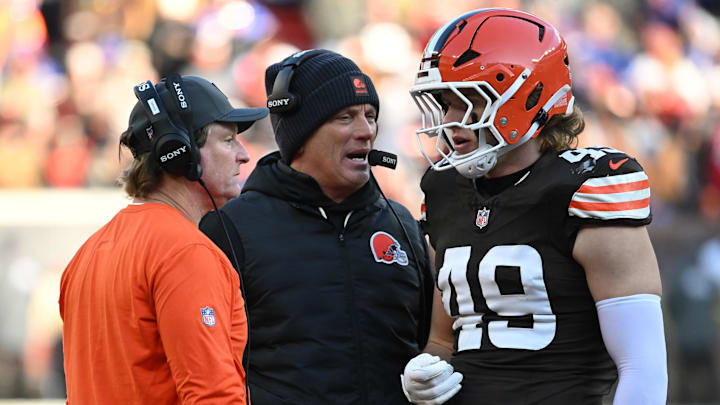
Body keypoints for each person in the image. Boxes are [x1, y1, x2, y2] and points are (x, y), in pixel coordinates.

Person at [400, 9, 667, 405]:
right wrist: (424, 374)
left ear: (528, 96)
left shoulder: (585, 186)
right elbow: (444, 339)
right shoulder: (444, 190)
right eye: (444, 103)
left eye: (468, 100)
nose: (451, 121)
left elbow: (642, 366)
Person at [200, 49, 434, 404]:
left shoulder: (402, 226)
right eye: (345, 117)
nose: (365, 131)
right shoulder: (230, 229)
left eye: (370, 116)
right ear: (301, 133)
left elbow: (430, 343)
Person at [59, 74, 268, 404]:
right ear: (180, 153)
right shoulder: (186, 253)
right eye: (228, 140)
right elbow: (212, 396)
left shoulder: (87, 254)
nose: (243, 155)